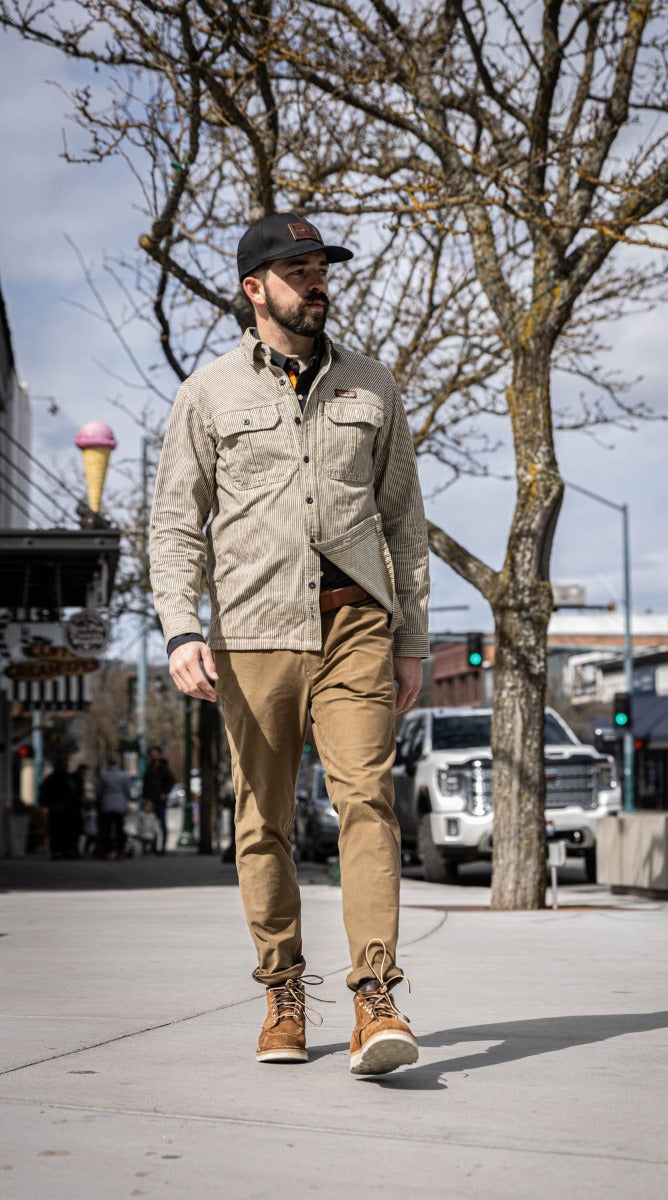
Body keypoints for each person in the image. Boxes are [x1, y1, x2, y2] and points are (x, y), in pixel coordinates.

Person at [150, 211, 430, 1075]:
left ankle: (375, 997)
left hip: (355, 625)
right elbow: (174, 525)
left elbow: (404, 526)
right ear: (255, 288)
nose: (316, 282)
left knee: (367, 804)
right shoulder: (208, 393)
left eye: (321, 268)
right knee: (262, 820)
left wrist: (412, 642)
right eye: (297, 269)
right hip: (253, 635)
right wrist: (180, 628)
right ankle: (281, 992)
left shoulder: (374, 387)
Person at [96, 759, 132, 861]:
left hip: (106, 804)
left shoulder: (103, 775)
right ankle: (120, 852)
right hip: (119, 804)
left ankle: (107, 852)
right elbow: (128, 790)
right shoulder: (124, 775)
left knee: (106, 829)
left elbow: (99, 791)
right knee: (119, 829)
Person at [141, 745, 175, 853]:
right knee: (151, 824)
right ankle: (153, 847)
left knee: (162, 824)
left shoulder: (164, 768)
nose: (153, 756)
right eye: (151, 755)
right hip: (151, 800)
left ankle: (163, 847)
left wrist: (165, 793)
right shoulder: (149, 767)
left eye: (154, 754)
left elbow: (171, 781)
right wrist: (145, 798)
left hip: (160, 800)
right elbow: (145, 784)